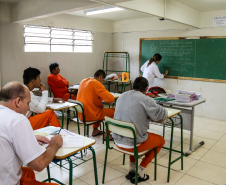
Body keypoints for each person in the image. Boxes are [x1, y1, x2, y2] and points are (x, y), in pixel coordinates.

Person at [0, 81, 63, 185]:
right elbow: (39, 164)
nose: (29, 108)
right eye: (28, 103)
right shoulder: (17, 119)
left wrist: (29, 137)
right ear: (18, 101)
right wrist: (54, 144)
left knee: (27, 173)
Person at [112, 77, 167, 184]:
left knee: (132, 133)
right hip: (133, 144)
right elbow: (161, 115)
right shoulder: (145, 99)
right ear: (146, 88)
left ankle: (132, 169)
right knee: (161, 141)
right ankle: (141, 169)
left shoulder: (122, 95)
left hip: (117, 140)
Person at [77, 69, 115, 137]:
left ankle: (95, 130)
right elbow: (111, 99)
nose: (102, 82)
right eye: (103, 80)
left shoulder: (84, 81)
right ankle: (107, 135)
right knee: (113, 111)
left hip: (81, 114)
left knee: (99, 107)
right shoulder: (96, 83)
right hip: (91, 115)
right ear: (101, 77)